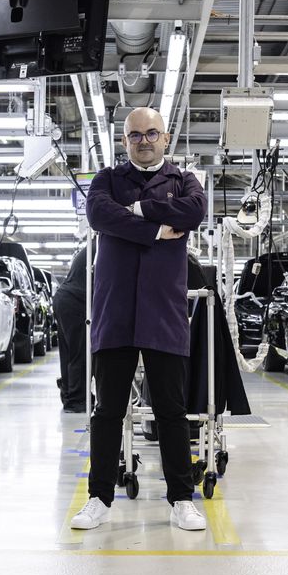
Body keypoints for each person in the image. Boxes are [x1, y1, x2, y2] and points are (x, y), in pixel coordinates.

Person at [70, 107, 209, 532]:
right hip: (116, 312)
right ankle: (98, 498)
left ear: (166, 138)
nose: (143, 141)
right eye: (135, 135)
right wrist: (153, 226)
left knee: (171, 410)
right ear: (125, 140)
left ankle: (182, 499)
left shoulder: (185, 181)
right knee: (108, 410)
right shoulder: (106, 181)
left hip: (163, 311)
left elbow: (193, 213)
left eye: (152, 134)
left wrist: (135, 211)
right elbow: (99, 216)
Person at [53, 246, 88, 413]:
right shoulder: (106, 246)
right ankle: (75, 400)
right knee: (79, 353)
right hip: (76, 302)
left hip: (64, 299)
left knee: (68, 353)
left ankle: (68, 394)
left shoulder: (94, 245)